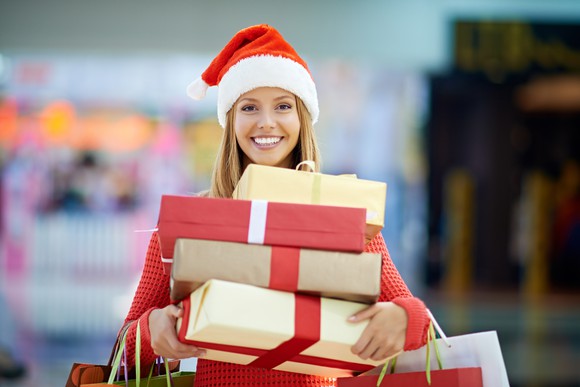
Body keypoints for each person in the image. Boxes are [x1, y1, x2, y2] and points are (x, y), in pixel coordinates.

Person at [120, 24, 430, 386]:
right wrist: (149, 329)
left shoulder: (341, 218)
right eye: (249, 107)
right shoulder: (191, 225)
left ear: (302, 119)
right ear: (231, 121)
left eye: (283, 106)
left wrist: (405, 317)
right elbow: (122, 353)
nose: (266, 123)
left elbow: (418, 321)